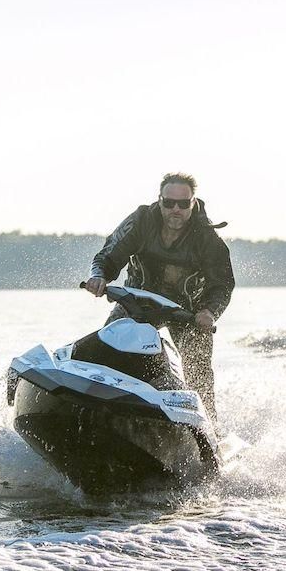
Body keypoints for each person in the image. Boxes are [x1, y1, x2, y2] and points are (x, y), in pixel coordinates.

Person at [83, 172, 234, 416]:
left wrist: (209, 312)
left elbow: (222, 284)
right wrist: (99, 276)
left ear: (193, 203)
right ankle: (92, 405)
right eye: (169, 203)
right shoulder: (142, 220)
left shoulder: (207, 238)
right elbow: (108, 256)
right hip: (137, 304)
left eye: (183, 204)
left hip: (188, 313)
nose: (176, 209)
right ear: (159, 200)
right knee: (107, 347)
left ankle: (208, 432)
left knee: (199, 373)